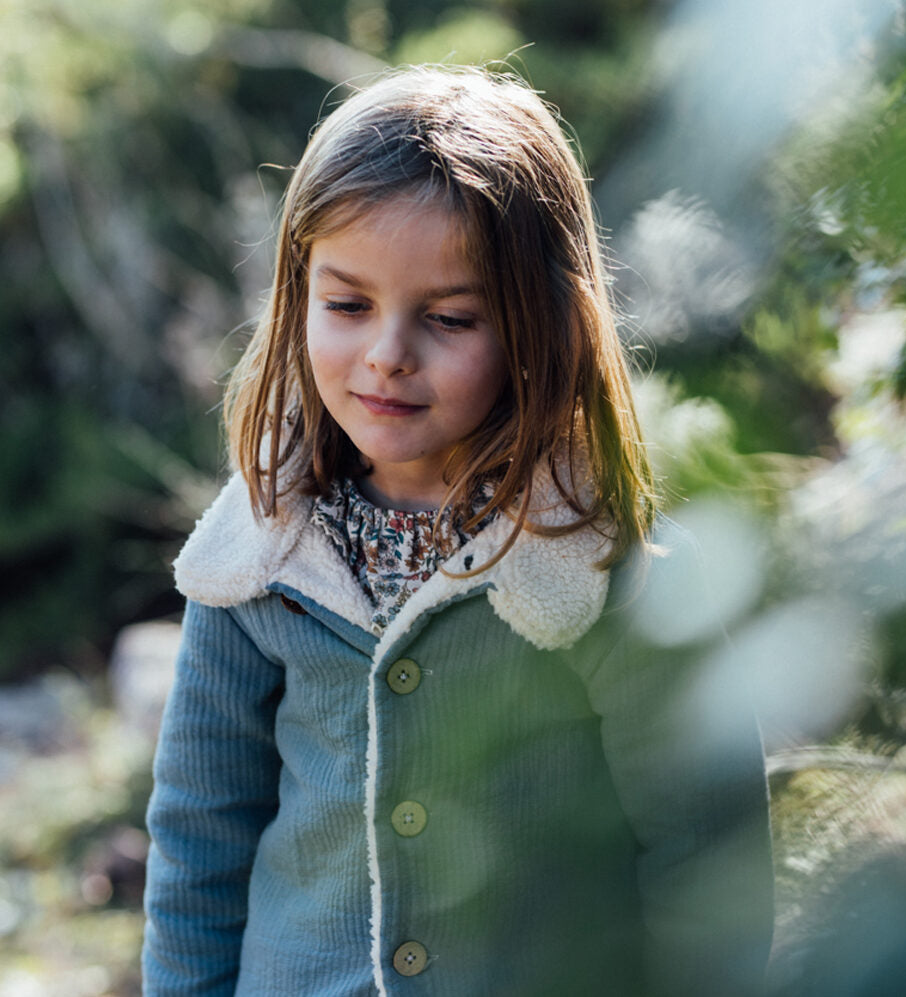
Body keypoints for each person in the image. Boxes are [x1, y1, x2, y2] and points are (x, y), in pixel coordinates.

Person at [141, 65, 773, 996]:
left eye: (448, 317)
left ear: (541, 326)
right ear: (297, 294)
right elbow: (200, 836)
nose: (387, 354)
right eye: (347, 305)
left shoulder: (600, 568)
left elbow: (707, 857)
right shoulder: (254, 558)